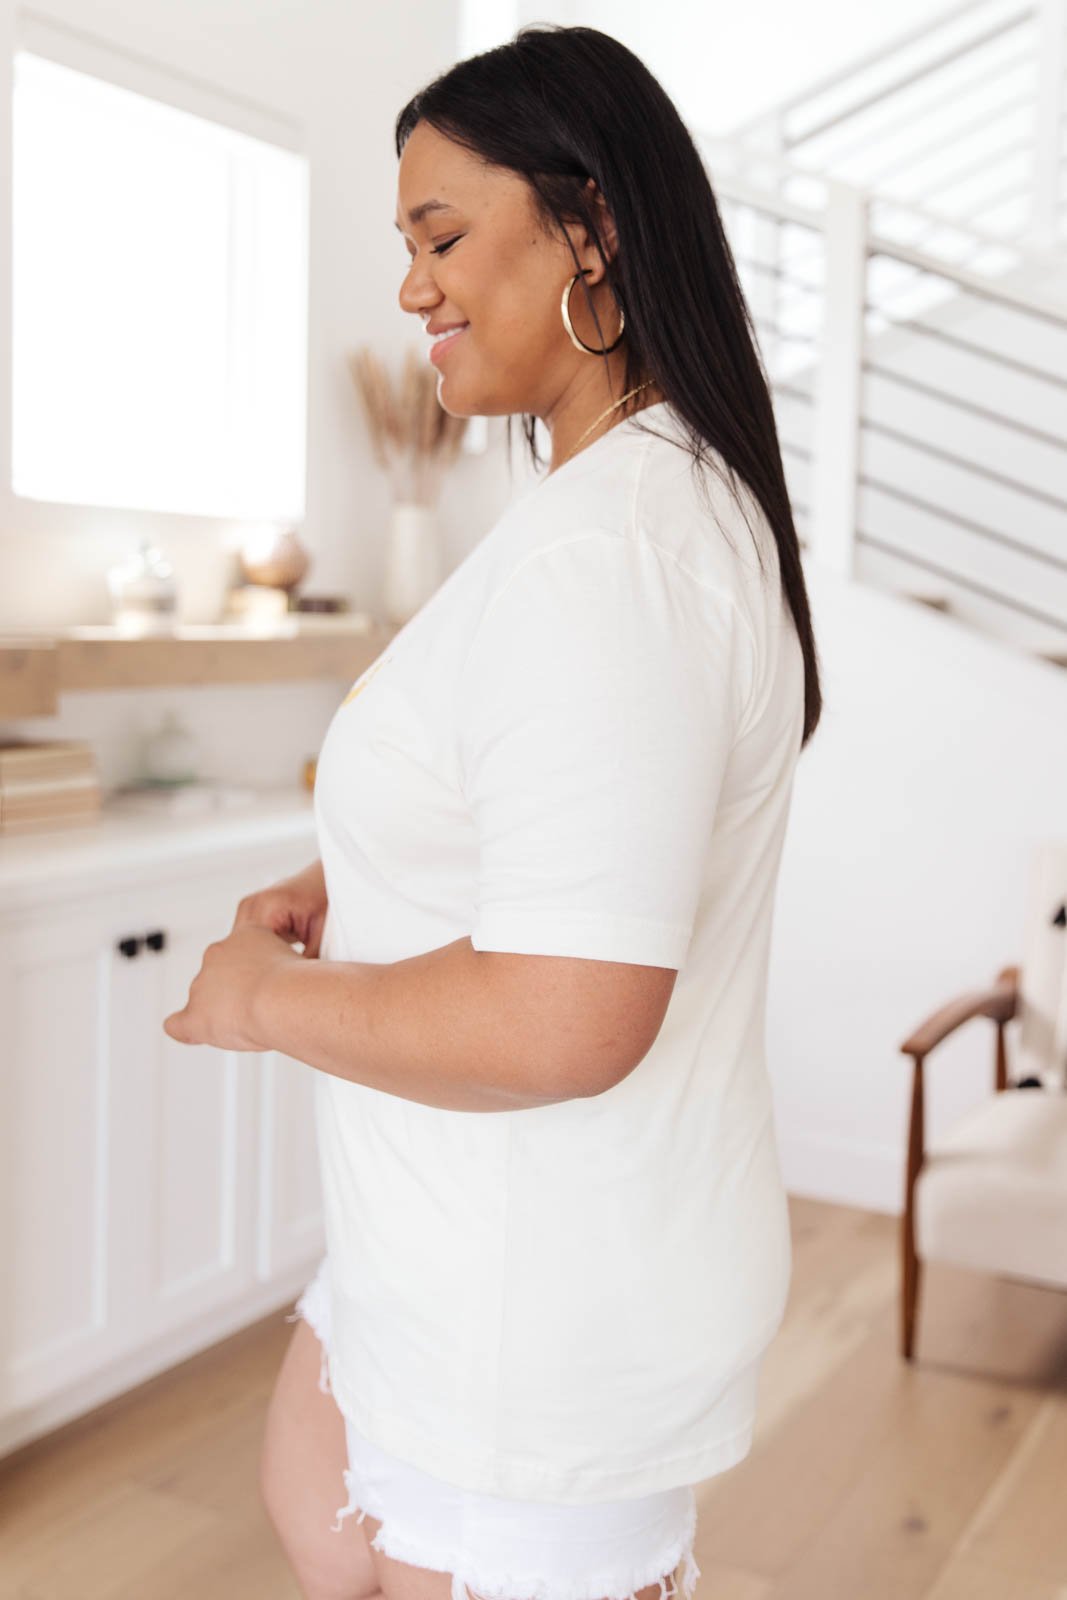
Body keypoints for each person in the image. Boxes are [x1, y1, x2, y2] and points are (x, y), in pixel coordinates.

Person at [164, 22, 824, 1600]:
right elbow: (558, 811)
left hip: (544, 1310)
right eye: (409, 247)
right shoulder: (623, 504)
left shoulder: (612, 557)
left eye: (443, 237)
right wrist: (366, 869)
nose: (413, 290)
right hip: (472, 1250)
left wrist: (263, 1003)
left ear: (590, 230)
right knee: (326, 1521)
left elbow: (563, 1015)